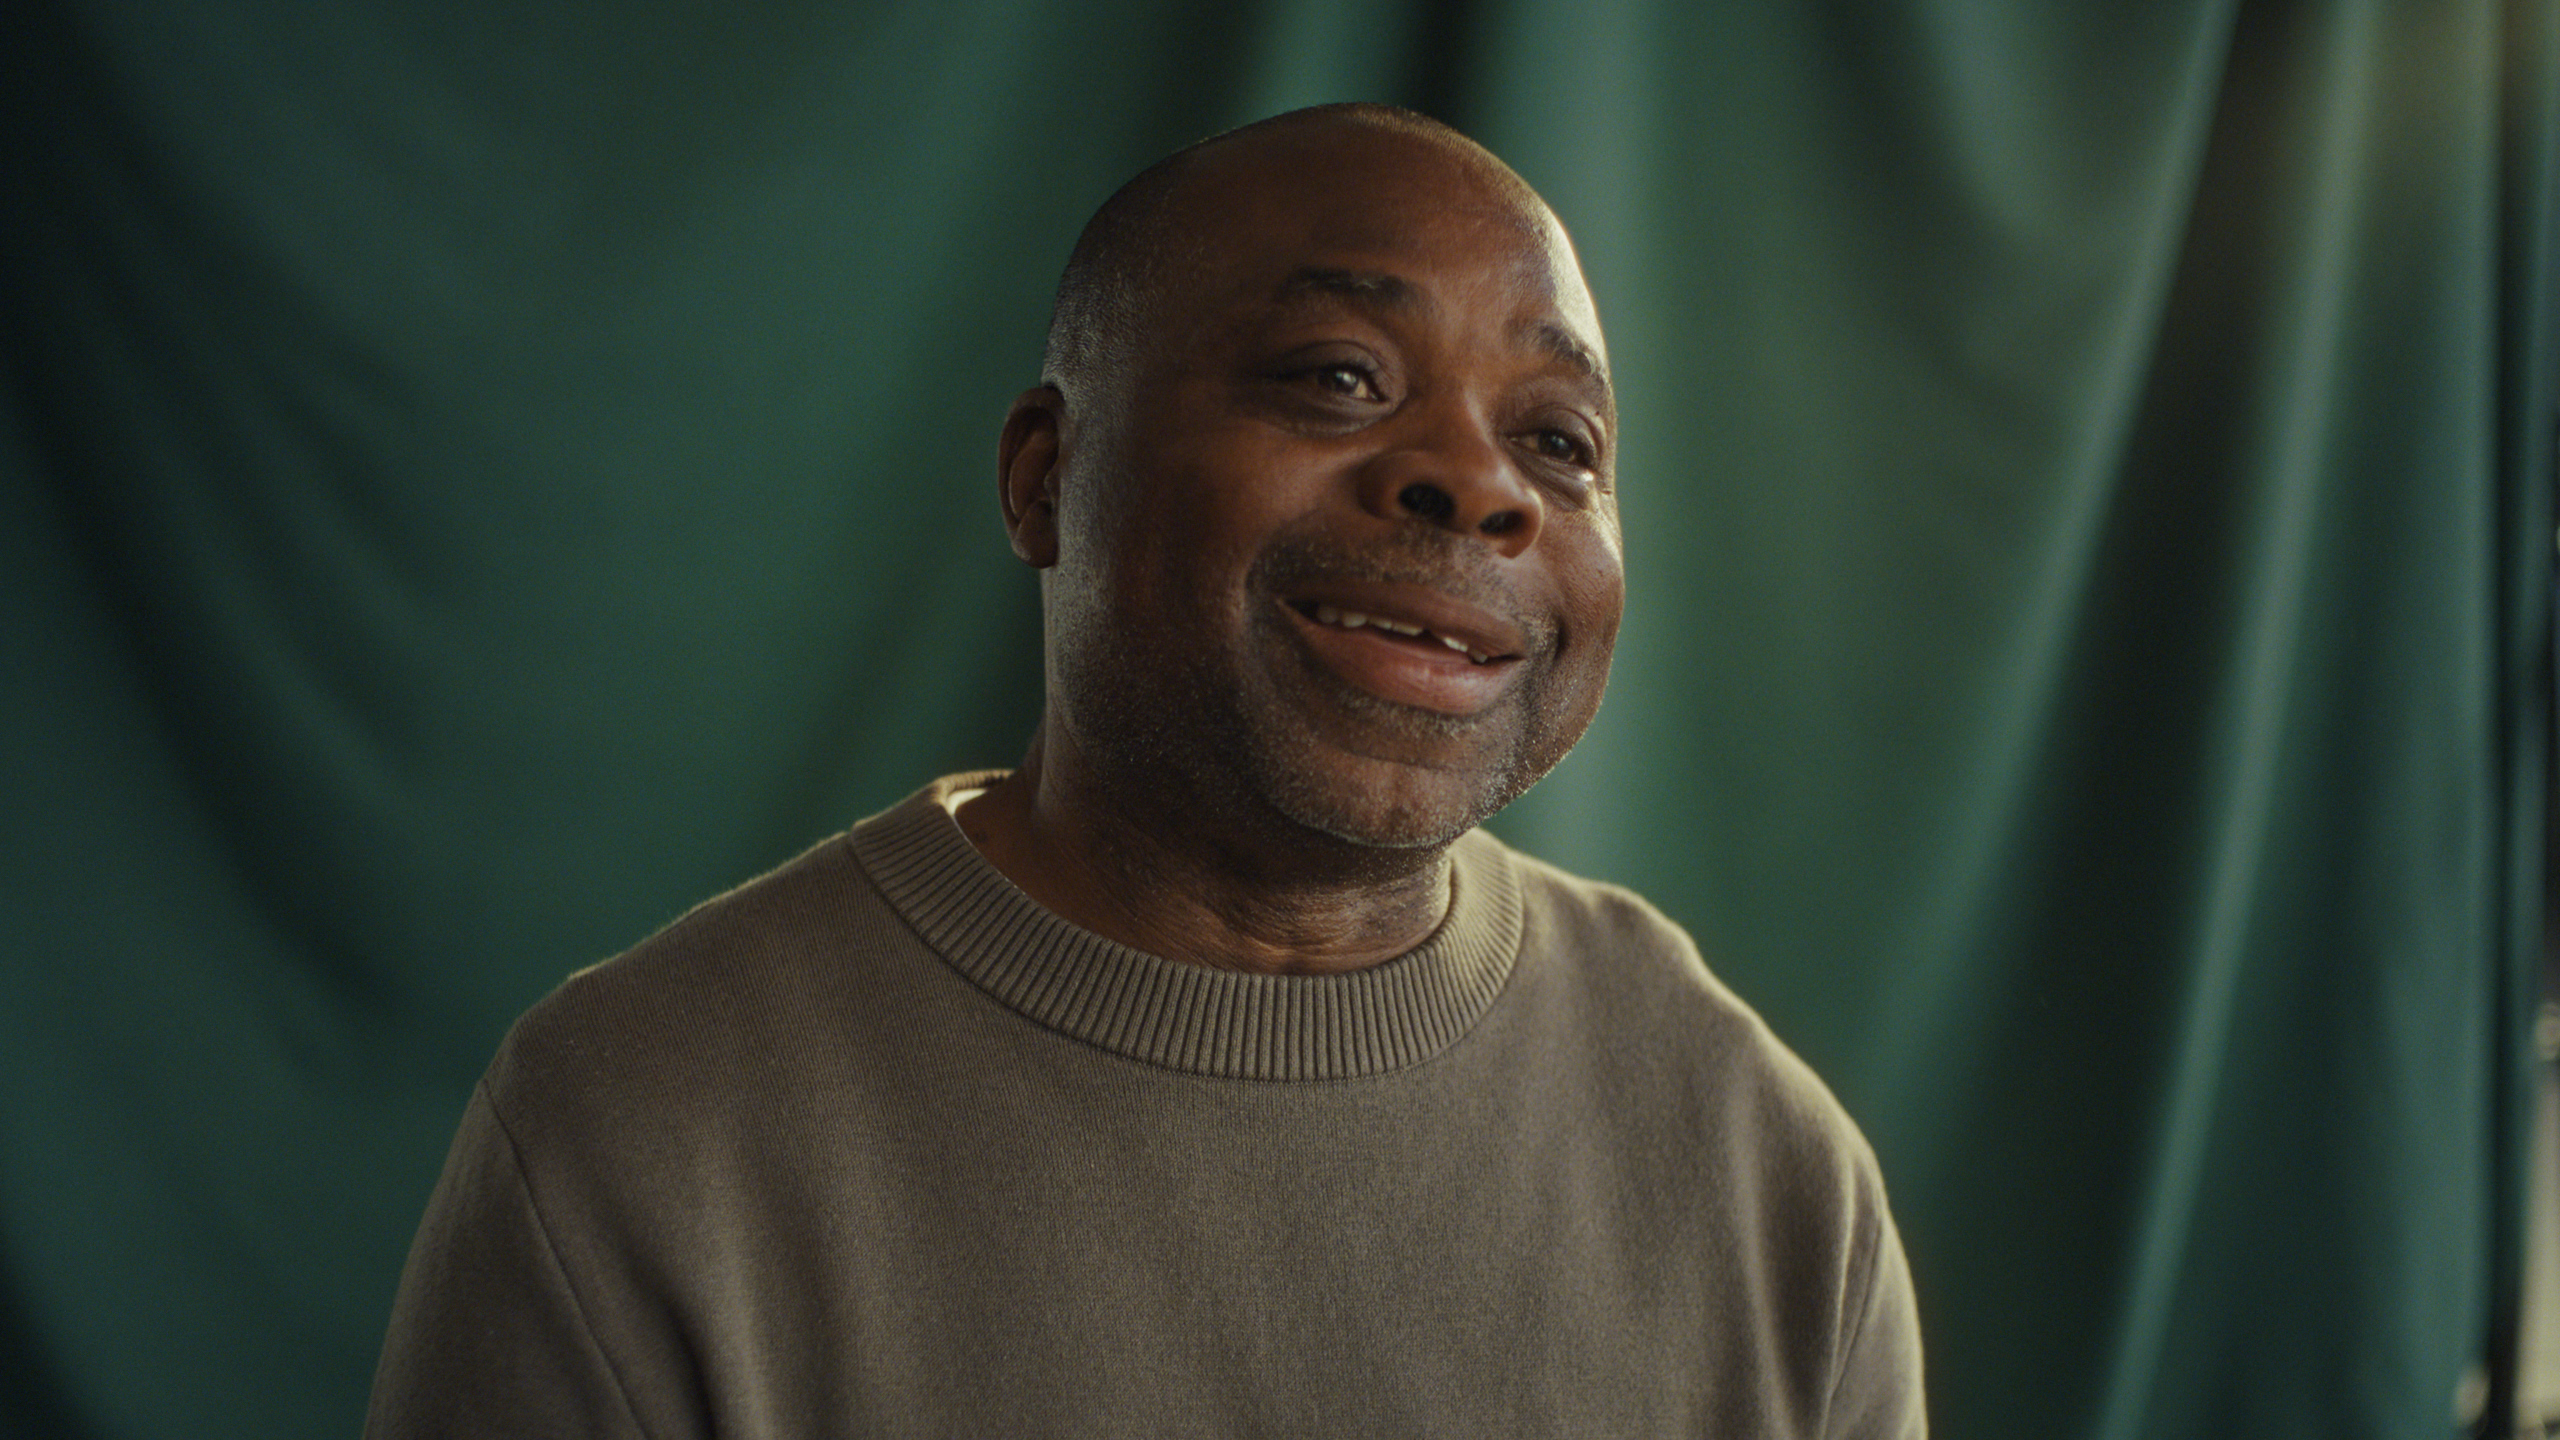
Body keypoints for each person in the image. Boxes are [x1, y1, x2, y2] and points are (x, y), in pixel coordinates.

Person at [364, 102, 1926, 1438]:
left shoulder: (1763, 1174)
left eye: (1561, 442)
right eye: (1338, 376)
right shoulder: (641, 1137)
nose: (1473, 481)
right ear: (1045, 478)